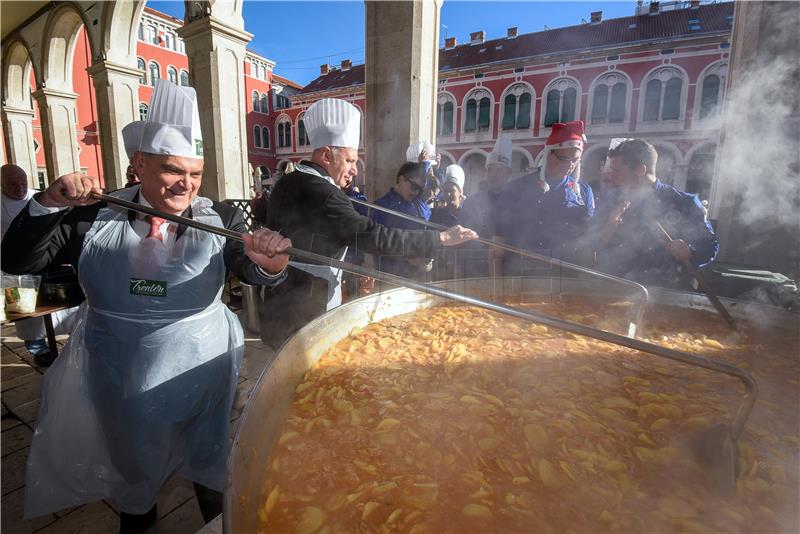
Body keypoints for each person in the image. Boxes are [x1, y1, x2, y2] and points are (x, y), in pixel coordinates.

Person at [1, 80, 292, 532]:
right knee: (132, 462)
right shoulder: (91, 214)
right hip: (120, 369)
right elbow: (18, 260)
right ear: (139, 164)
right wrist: (48, 202)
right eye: (173, 170)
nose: (187, 184)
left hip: (202, 365)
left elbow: (249, 267)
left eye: (195, 173)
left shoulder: (223, 219)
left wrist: (269, 266)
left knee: (210, 455)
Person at [259, 97, 477, 349]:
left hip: (280, 299)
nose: (355, 170)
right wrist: (441, 239)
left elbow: (322, 236)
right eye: (350, 161)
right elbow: (373, 235)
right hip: (306, 305)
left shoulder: (289, 180)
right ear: (327, 155)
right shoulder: (326, 194)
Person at [591, 138, 719, 288]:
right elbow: (587, 242)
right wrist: (605, 232)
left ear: (640, 170)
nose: (611, 176)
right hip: (613, 288)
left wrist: (690, 251)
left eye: (617, 170)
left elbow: (710, 245)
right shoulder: (609, 200)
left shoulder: (684, 202)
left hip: (664, 292)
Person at [2, 164, 78, 366]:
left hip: (46, 266)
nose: (19, 188)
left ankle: (72, 343)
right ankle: (38, 349)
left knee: (63, 311)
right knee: (27, 316)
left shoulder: (41, 199)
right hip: (15, 273)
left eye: (23, 183)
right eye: (12, 185)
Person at [495, 121, 595, 271]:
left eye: (575, 160)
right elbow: (498, 241)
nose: (570, 165)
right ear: (549, 154)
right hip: (522, 269)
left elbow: (588, 240)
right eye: (563, 159)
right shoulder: (516, 188)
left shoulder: (584, 191)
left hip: (566, 271)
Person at [456, 135, 514, 277]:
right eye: (490, 170)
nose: (493, 174)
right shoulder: (471, 202)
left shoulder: (516, 203)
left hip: (508, 271)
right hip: (474, 270)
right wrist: (458, 271)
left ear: (508, 173)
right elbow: (459, 240)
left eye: (499, 170)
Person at [370, 162, 433, 279]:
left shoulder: (420, 206)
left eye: (419, 190)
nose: (416, 193)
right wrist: (406, 256)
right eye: (414, 187)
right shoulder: (381, 206)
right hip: (390, 277)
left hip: (418, 276)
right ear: (401, 179)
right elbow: (377, 243)